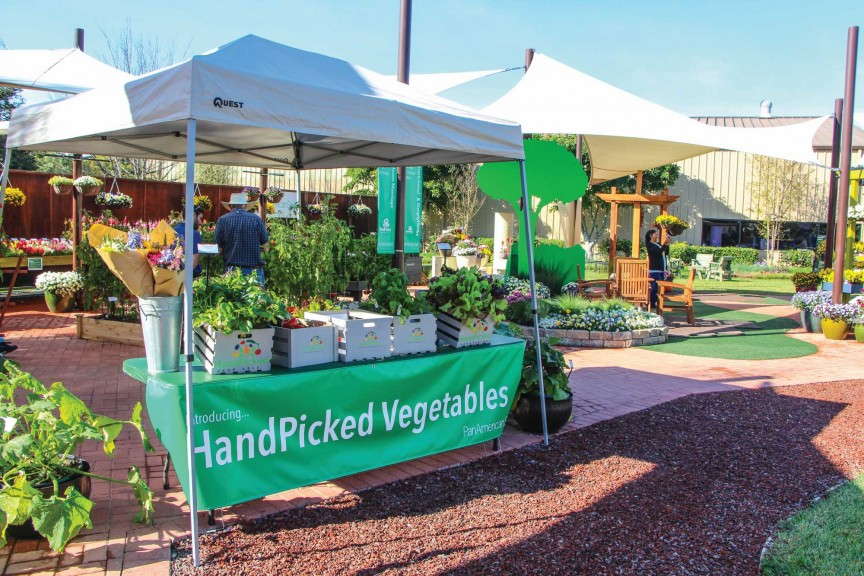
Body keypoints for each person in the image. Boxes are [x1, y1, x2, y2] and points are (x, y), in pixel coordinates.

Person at [215, 192, 269, 284]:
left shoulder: (222, 220)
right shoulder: (256, 219)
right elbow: (266, 245)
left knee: (234, 297)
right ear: (244, 205)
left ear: (231, 205)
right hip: (254, 270)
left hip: (232, 270)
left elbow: (218, 248)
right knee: (257, 297)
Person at [173, 206, 205, 277]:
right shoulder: (194, 233)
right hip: (189, 278)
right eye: (200, 218)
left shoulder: (173, 229)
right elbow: (194, 260)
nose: (201, 222)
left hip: (173, 275)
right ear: (193, 215)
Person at [645, 228, 669, 311]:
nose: (657, 235)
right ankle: (651, 303)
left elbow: (665, 252)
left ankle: (655, 303)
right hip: (654, 270)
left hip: (660, 269)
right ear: (651, 235)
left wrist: (667, 244)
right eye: (656, 234)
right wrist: (665, 244)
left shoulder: (657, 244)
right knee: (654, 287)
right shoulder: (649, 245)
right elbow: (657, 253)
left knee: (658, 288)